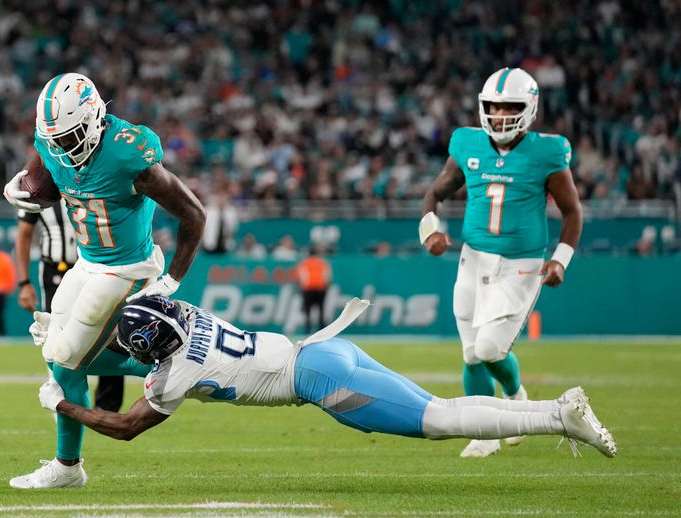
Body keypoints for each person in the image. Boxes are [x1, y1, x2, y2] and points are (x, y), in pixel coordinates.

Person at [32, 295, 616, 486]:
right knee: (444, 408)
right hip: (322, 349)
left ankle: (558, 417)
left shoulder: (174, 372)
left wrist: (60, 402)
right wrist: (64, 341)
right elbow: (152, 349)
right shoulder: (184, 316)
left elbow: (129, 426)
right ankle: (549, 411)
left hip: (318, 379)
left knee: (440, 420)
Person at [3, 73, 205, 488]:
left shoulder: (128, 154)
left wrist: (172, 280)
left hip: (127, 269)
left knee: (65, 359)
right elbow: (45, 178)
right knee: (54, 351)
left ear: (95, 118)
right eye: (54, 140)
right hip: (88, 262)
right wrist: (22, 185)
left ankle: (67, 466)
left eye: (71, 137)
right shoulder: (52, 139)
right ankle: (168, 365)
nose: (62, 148)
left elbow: (194, 215)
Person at [419, 67, 583, 458]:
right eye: (492, 107)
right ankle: (485, 432)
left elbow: (572, 212)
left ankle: (515, 395)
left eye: (509, 107)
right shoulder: (468, 144)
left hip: (521, 263)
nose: (499, 115)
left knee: (491, 348)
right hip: (472, 258)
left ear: (529, 109)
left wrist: (560, 260)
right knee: (471, 352)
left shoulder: (547, 152)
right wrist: (430, 231)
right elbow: (435, 192)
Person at [14, 199, 125, 413]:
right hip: (56, 269)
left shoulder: (91, 178)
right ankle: (61, 401)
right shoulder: (40, 185)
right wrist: (24, 282)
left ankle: (107, 409)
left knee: (109, 332)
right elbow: (24, 233)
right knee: (57, 335)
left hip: (97, 268)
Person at [295, 245, 332, 333]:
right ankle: (322, 330)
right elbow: (327, 276)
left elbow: (301, 276)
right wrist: (325, 285)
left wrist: (302, 286)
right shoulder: (322, 263)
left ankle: (308, 329)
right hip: (320, 288)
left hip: (308, 289)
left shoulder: (304, 263)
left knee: (308, 310)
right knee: (321, 310)